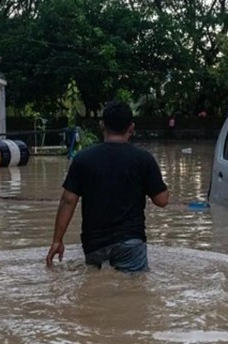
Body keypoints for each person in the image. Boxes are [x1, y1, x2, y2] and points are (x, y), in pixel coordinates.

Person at [46, 101, 169, 272]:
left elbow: (68, 201)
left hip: (93, 244)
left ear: (102, 125)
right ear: (131, 128)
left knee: (94, 292)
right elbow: (162, 200)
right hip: (130, 243)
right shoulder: (143, 159)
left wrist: (57, 240)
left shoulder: (83, 159)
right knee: (134, 292)